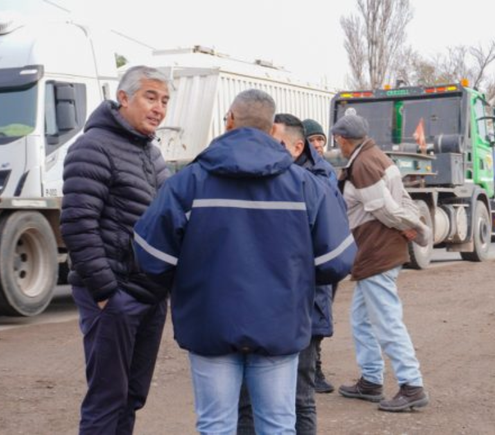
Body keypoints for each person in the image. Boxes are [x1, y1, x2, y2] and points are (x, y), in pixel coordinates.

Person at [132, 89, 356, 434]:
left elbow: (150, 255)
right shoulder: (306, 186)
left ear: (229, 121)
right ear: (270, 130)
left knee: (217, 426)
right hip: (280, 325)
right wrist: (295, 279)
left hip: (209, 325)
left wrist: (186, 283)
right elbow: (337, 260)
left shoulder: (187, 183)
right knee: (278, 425)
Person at [60, 65, 171, 434]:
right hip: (114, 296)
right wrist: (107, 293)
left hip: (149, 295)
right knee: (107, 398)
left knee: (132, 396)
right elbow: (77, 225)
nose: (159, 108)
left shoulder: (152, 153)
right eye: (150, 97)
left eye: (165, 100)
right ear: (123, 98)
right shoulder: (92, 147)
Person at [237, 113, 343, 435]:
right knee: (249, 399)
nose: (271, 149)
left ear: (298, 147)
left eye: (278, 143)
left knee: (299, 397)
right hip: (262, 306)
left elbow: (333, 254)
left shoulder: (319, 180)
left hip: (305, 307)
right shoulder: (266, 174)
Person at [332, 114, 431, 412]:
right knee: (362, 320)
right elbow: (402, 199)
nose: (337, 144)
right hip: (375, 252)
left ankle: (412, 386)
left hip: (377, 251)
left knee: (387, 321)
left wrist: (412, 229)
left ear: (343, 139)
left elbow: (384, 208)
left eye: (337, 139)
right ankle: (371, 381)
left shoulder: (362, 165)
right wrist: (410, 225)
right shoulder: (378, 157)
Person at [302, 118, 337, 395]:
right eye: (313, 140)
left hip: (324, 252)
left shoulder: (326, 170)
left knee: (321, 311)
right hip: (305, 254)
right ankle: (311, 372)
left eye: (321, 140)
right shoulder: (296, 170)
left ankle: (315, 369)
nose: (318, 145)